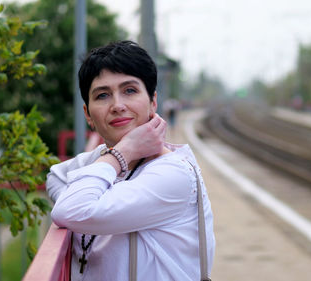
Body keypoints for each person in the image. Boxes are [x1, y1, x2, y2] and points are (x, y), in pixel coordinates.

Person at [46, 40, 215, 281]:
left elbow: (70, 210)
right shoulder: (100, 159)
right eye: (103, 95)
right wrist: (121, 155)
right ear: (88, 115)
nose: (117, 105)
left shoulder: (173, 175)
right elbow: (55, 176)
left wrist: (121, 154)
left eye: (130, 90)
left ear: (153, 102)